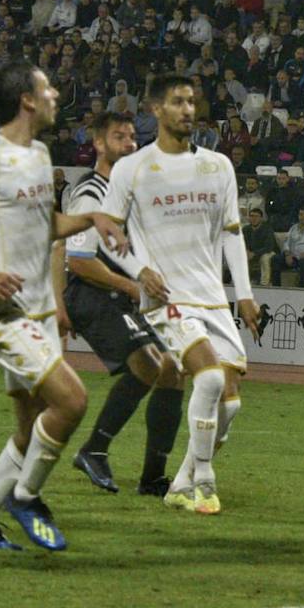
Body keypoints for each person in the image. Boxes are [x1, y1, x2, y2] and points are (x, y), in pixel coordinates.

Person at [0, 59, 126, 551]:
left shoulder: (37, 153)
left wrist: (92, 217)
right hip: (0, 314)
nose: (56, 93)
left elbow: (46, 225)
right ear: (27, 101)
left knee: (30, 429)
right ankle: (26, 496)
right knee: (72, 400)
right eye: (48, 87)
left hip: (33, 311)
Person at [101, 73, 264, 516]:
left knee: (229, 406)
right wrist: (139, 271)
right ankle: (205, 485)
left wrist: (244, 294)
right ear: (156, 110)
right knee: (208, 379)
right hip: (167, 298)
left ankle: (179, 482)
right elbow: (109, 233)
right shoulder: (131, 169)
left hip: (212, 297)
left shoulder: (218, 166)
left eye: (192, 102)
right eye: (177, 102)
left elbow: (232, 234)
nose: (188, 110)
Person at [57, 111, 183, 498]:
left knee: (173, 371)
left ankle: (153, 478)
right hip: (94, 292)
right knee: (149, 364)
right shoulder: (91, 191)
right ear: (98, 143)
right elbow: (78, 258)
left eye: (132, 138)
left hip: (118, 294)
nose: (129, 144)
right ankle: (93, 450)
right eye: (118, 137)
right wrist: (131, 286)